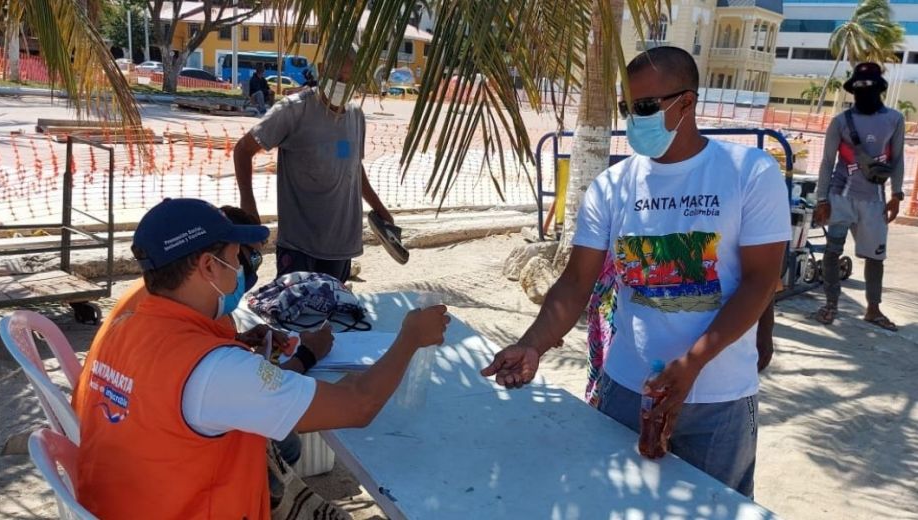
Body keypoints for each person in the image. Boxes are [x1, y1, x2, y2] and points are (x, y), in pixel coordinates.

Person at [481, 46, 790, 497]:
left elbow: (761, 281)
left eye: (646, 107)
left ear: (687, 102)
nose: (633, 119)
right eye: (628, 107)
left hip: (717, 399)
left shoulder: (749, 173)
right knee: (614, 504)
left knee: (716, 508)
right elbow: (574, 283)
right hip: (626, 389)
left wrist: (693, 364)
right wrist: (532, 344)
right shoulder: (612, 185)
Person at [73, 198, 449, 519]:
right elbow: (358, 406)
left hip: (128, 501)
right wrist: (410, 338)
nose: (241, 270)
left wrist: (237, 341)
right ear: (207, 266)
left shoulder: (124, 326)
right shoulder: (213, 370)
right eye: (236, 258)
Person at [234, 44, 407, 283]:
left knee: (333, 313)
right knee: (297, 314)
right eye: (337, 77)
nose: (342, 85)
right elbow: (243, 150)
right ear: (323, 69)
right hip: (299, 245)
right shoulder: (294, 110)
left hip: (341, 245)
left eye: (349, 79)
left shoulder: (355, 116)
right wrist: (248, 205)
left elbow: (354, 167)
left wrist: (380, 208)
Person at [812, 62, 905, 332]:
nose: (865, 91)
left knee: (876, 257)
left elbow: (897, 160)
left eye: (870, 86)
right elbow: (827, 162)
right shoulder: (840, 122)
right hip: (840, 198)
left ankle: (873, 309)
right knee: (833, 251)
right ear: (853, 89)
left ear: (880, 89)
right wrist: (822, 200)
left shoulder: (894, 119)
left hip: (875, 200)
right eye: (860, 86)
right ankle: (831, 304)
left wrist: (897, 195)